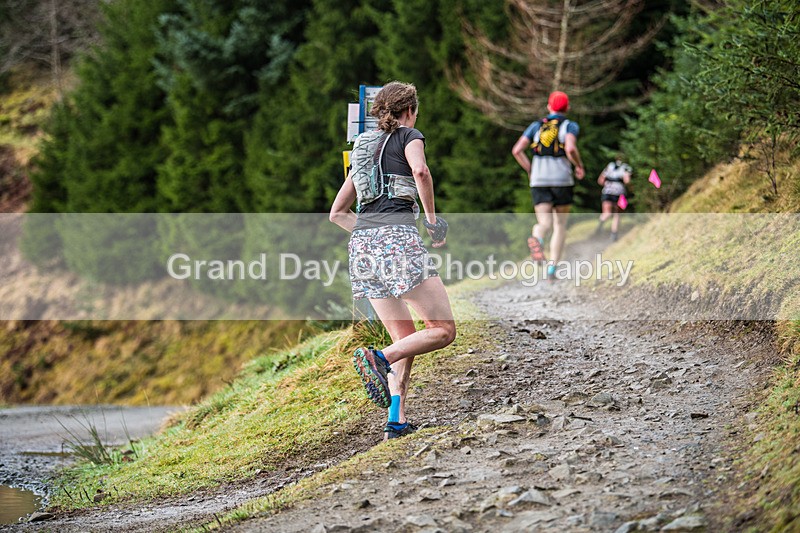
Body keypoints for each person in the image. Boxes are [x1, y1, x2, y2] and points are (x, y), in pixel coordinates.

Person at [329, 81, 456, 440]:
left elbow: (337, 214)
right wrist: (431, 221)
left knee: (406, 338)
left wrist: (371, 232)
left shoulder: (362, 149)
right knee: (443, 330)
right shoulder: (410, 135)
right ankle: (378, 358)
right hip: (397, 241)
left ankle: (395, 420)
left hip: (362, 248)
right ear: (410, 110)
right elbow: (421, 173)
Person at [511, 91, 585, 279]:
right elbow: (570, 148)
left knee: (544, 222)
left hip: (539, 180)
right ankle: (552, 268)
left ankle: (538, 238)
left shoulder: (536, 126)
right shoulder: (569, 125)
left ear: (549, 106)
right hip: (561, 180)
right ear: (567, 108)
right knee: (560, 225)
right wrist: (579, 165)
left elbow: (517, 150)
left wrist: (530, 170)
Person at [596, 157, 632, 241]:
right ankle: (614, 235)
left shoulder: (610, 166)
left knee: (607, 213)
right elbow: (627, 181)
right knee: (617, 214)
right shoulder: (626, 167)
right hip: (619, 193)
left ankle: (600, 223)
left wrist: (609, 183)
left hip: (607, 192)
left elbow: (600, 180)